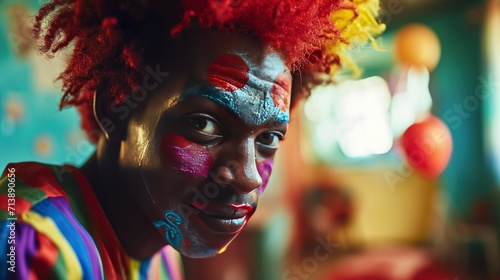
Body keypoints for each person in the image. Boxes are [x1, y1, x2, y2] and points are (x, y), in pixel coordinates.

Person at [0, 0, 384, 279]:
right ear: (117, 104)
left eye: (269, 138)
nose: (249, 176)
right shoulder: (29, 237)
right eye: (204, 124)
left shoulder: (163, 253)